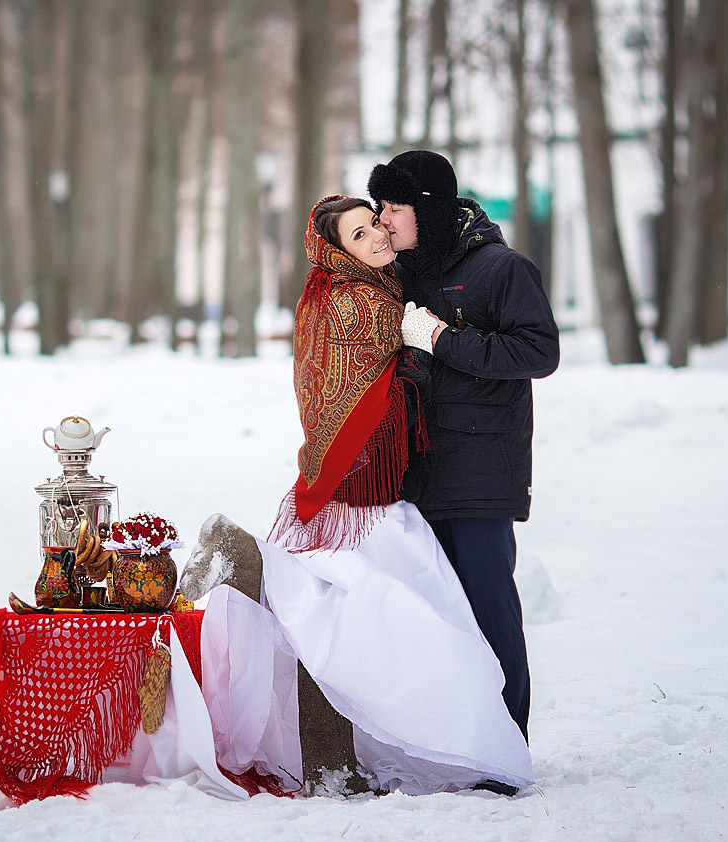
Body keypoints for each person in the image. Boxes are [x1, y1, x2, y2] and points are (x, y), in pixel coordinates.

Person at [180, 195, 533, 798]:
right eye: (359, 233)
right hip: (360, 489)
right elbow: (352, 392)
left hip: (364, 486)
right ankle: (396, 746)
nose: (375, 237)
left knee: (369, 617)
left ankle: (384, 745)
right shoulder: (359, 301)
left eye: (375, 224)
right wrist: (417, 367)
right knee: (373, 621)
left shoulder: (355, 287)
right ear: (338, 251)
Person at [367, 150, 560, 744]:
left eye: (394, 207)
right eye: (379, 207)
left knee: (489, 613)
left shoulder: (500, 269)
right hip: (419, 477)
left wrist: (443, 339)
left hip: (480, 475)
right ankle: (452, 743)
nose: (383, 220)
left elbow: (538, 352)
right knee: (437, 617)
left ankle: (507, 747)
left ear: (426, 208)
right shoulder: (402, 272)